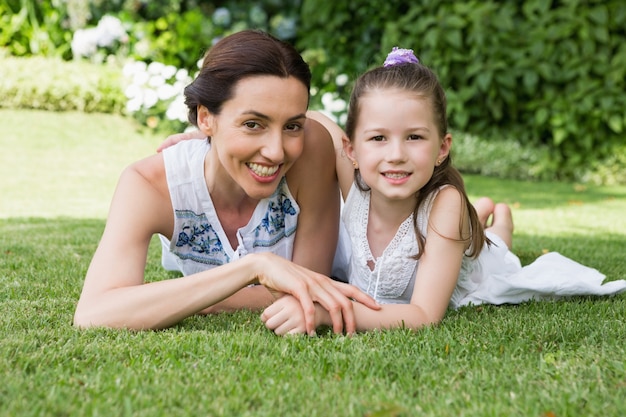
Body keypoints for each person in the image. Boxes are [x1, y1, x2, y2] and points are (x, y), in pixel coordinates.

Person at [260, 47, 626, 335]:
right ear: (351, 150)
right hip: (447, 232)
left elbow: (423, 315)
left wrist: (328, 312)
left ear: (442, 147)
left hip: (471, 258)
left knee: (497, 254)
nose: (396, 155)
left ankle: (497, 225)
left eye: (415, 137)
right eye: (378, 138)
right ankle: (481, 213)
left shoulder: (444, 204)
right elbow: (315, 120)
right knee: (472, 226)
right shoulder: (354, 176)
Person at [73, 29, 379, 334]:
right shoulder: (149, 184)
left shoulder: (311, 151)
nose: (275, 152)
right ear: (206, 118)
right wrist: (255, 267)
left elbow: (308, 289)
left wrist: (195, 298)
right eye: (252, 124)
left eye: (292, 126)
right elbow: (95, 313)